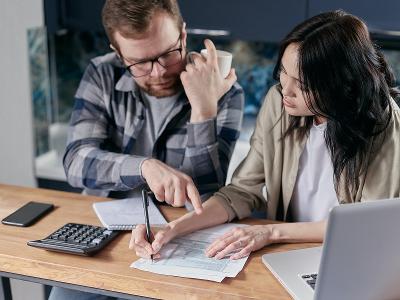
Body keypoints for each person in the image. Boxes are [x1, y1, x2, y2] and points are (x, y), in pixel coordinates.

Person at [131, 10, 400, 261]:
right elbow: (242, 191)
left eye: (303, 84)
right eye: (284, 72)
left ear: (341, 84)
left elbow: (365, 224)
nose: (286, 89)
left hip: (349, 256)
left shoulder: (383, 123)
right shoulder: (278, 103)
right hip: (287, 253)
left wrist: (271, 233)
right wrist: (173, 229)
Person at [63, 0, 244, 212]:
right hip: (104, 217)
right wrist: (144, 168)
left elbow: (206, 200)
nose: (159, 73)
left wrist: (203, 110)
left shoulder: (225, 91)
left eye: (167, 54)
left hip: (177, 227)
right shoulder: (102, 74)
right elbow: (76, 163)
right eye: (139, 63)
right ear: (119, 54)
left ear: (183, 35)